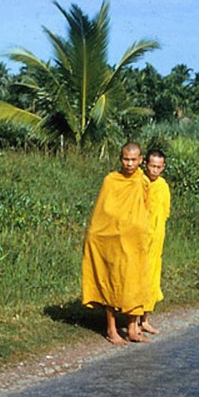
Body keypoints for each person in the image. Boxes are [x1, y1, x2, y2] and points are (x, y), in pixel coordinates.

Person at [81, 142, 151, 345]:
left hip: (134, 243)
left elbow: (146, 210)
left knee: (134, 282)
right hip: (110, 241)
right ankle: (111, 329)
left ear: (140, 160)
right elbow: (103, 212)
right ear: (120, 158)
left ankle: (132, 328)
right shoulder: (111, 181)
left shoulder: (142, 181)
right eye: (125, 159)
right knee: (111, 281)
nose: (129, 164)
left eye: (133, 160)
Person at [139, 149, 171, 334]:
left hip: (156, 240)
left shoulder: (163, 186)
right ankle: (132, 320)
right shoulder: (139, 183)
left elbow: (165, 211)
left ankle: (145, 319)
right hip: (140, 238)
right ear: (145, 164)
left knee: (152, 277)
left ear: (163, 167)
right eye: (152, 166)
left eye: (159, 167)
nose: (155, 170)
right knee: (138, 278)